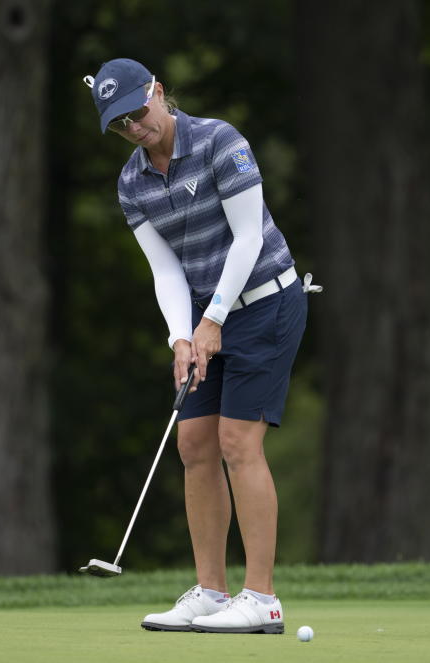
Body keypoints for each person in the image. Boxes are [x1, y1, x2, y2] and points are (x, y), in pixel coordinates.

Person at [84, 58, 319, 634]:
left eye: (138, 112)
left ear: (158, 92)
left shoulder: (220, 142)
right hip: (206, 317)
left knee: (238, 440)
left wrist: (211, 319)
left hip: (266, 300)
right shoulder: (131, 183)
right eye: (120, 125)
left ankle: (261, 598)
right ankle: (211, 592)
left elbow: (245, 239)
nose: (134, 128)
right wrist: (181, 337)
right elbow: (165, 271)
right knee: (194, 443)